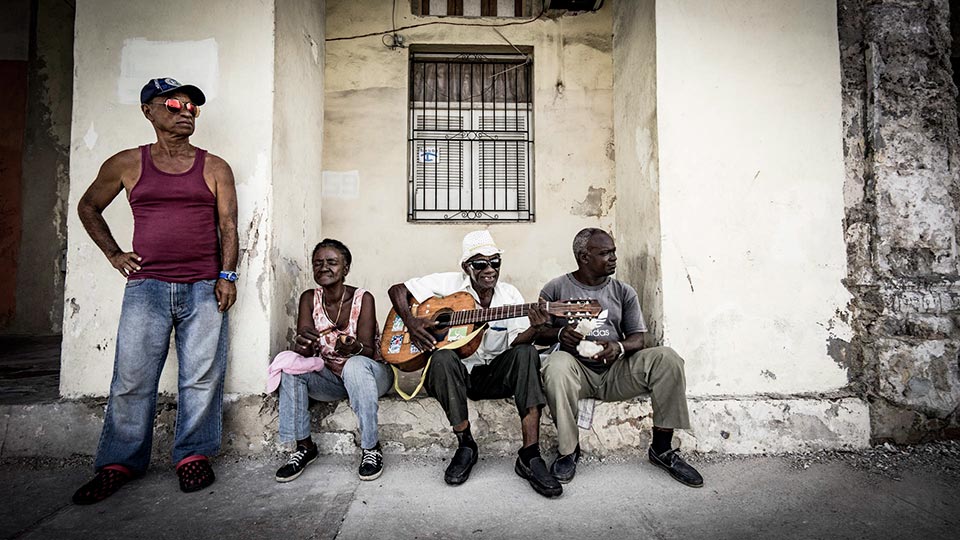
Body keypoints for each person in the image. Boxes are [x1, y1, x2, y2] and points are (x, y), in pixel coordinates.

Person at [72, 78, 239, 504]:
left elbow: (229, 228)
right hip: (146, 288)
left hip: (204, 287)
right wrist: (113, 254)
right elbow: (88, 206)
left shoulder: (214, 166)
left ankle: (193, 456)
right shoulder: (127, 163)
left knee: (201, 378)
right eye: (174, 103)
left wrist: (228, 276)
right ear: (149, 110)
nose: (186, 111)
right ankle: (118, 463)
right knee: (132, 379)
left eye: (193, 107)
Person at [387, 230, 562, 498]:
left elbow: (516, 343)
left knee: (527, 352)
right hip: (459, 376)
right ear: (466, 267)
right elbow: (397, 289)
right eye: (480, 264)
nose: (489, 270)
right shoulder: (447, 284)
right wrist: (413, 323)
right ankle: (466, 444)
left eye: (495, 263)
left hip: (495, 375)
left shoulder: (509, 295)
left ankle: (529, 455)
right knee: (442, 357)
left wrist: (536, 330)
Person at [538, 228, 703, 488]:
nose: (613, 258)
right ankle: (568, 451)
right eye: (605, 253)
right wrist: (559, 333)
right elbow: (539, 334)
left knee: (668, 358)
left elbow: (639, 338)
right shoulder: (556, 288)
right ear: (584, 257)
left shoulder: (623, 291)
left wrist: (619, 346)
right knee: (556, 365)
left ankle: (661, 449)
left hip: (616, 371)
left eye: (613, 252)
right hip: (576, 372)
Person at [268, 239, 393, 482]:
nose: (324, 267)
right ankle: (304, 447)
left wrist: (352, 347)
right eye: (318, 263)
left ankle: (370, 448)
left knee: (355, 364)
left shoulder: (362, 298)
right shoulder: (308, 298)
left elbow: (367, 352)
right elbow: (305, 352)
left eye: (332, 262)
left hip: (371, 374)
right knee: (290, 366)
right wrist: (305, 346)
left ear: (345, 268)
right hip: (331, 379)